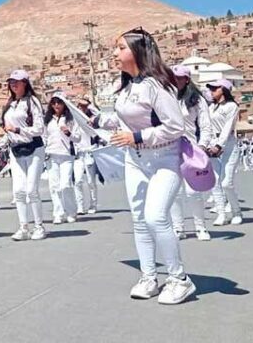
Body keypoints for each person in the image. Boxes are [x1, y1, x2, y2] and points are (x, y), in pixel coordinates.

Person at [94, 27, 195, 305]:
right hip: (135, 160)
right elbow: (127, 119)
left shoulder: (157, 85)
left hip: (164, 158)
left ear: (138, 51)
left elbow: (175, 127)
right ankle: (149, 276)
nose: (115, 53)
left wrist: (137, 137)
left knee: (155, 216)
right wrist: (101, 120)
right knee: (139, 219)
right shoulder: (126, 85)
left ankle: (179, 279)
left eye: (120, 48)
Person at [0, 69, 47, 241]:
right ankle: (23, 227)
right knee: (19, 191)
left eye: (17, 81)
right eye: (11, 81)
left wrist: (18, 129)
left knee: (32, 190)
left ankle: (39, 227)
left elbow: (39, 129)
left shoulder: (33, 102)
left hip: (34, 149)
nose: (13, 84)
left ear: (25, 82)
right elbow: (8, 132)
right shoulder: (9, 104)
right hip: (15, 150)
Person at [169, 65, 213, 241]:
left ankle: (200, 227)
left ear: (187, 79)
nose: (175, 80)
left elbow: (205, 125)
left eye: (179, 77)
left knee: (193, 191)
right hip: (170, 148)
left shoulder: (197, 100)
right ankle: (178, 228)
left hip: (190, 149)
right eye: (173, 77)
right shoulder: (166, 97)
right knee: (174, 191)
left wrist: (202, 146)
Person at [206, 78, 243, 226]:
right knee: (214, 182)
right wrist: (207, 144)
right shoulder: (211, 108)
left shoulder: (232, 106)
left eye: (215, 88)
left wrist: (219, 145)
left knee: (226, 182)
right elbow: (207, 126)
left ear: (224, 90)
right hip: (212, 145)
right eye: (211, 88)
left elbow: (228, 128)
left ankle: (236, 211)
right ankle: (221, 213)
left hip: (228, 146)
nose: (212, 91)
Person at [44, 93, 80, 224]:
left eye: (59, 102)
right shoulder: (48, 120)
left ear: (64, 103)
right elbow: (44, 136)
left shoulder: (71, 119)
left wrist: (68, 133)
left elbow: (78, 137)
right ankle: (58, 213)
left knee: (66, 184)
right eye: (53, 102)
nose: (56, 105)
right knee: (54, 186)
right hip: (51, 155)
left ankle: (71, 212)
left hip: (66, 155)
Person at [74, 97, 99, 215]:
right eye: (79, 106)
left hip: (90, 152)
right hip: (78, 154)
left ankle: (93, 204)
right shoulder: (73, 120)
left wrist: (89, 105)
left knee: (90, 181)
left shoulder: (91, 120)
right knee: (78, 180)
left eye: (83, 106)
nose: (81, 108)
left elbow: (100, 115)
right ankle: (80, 206)